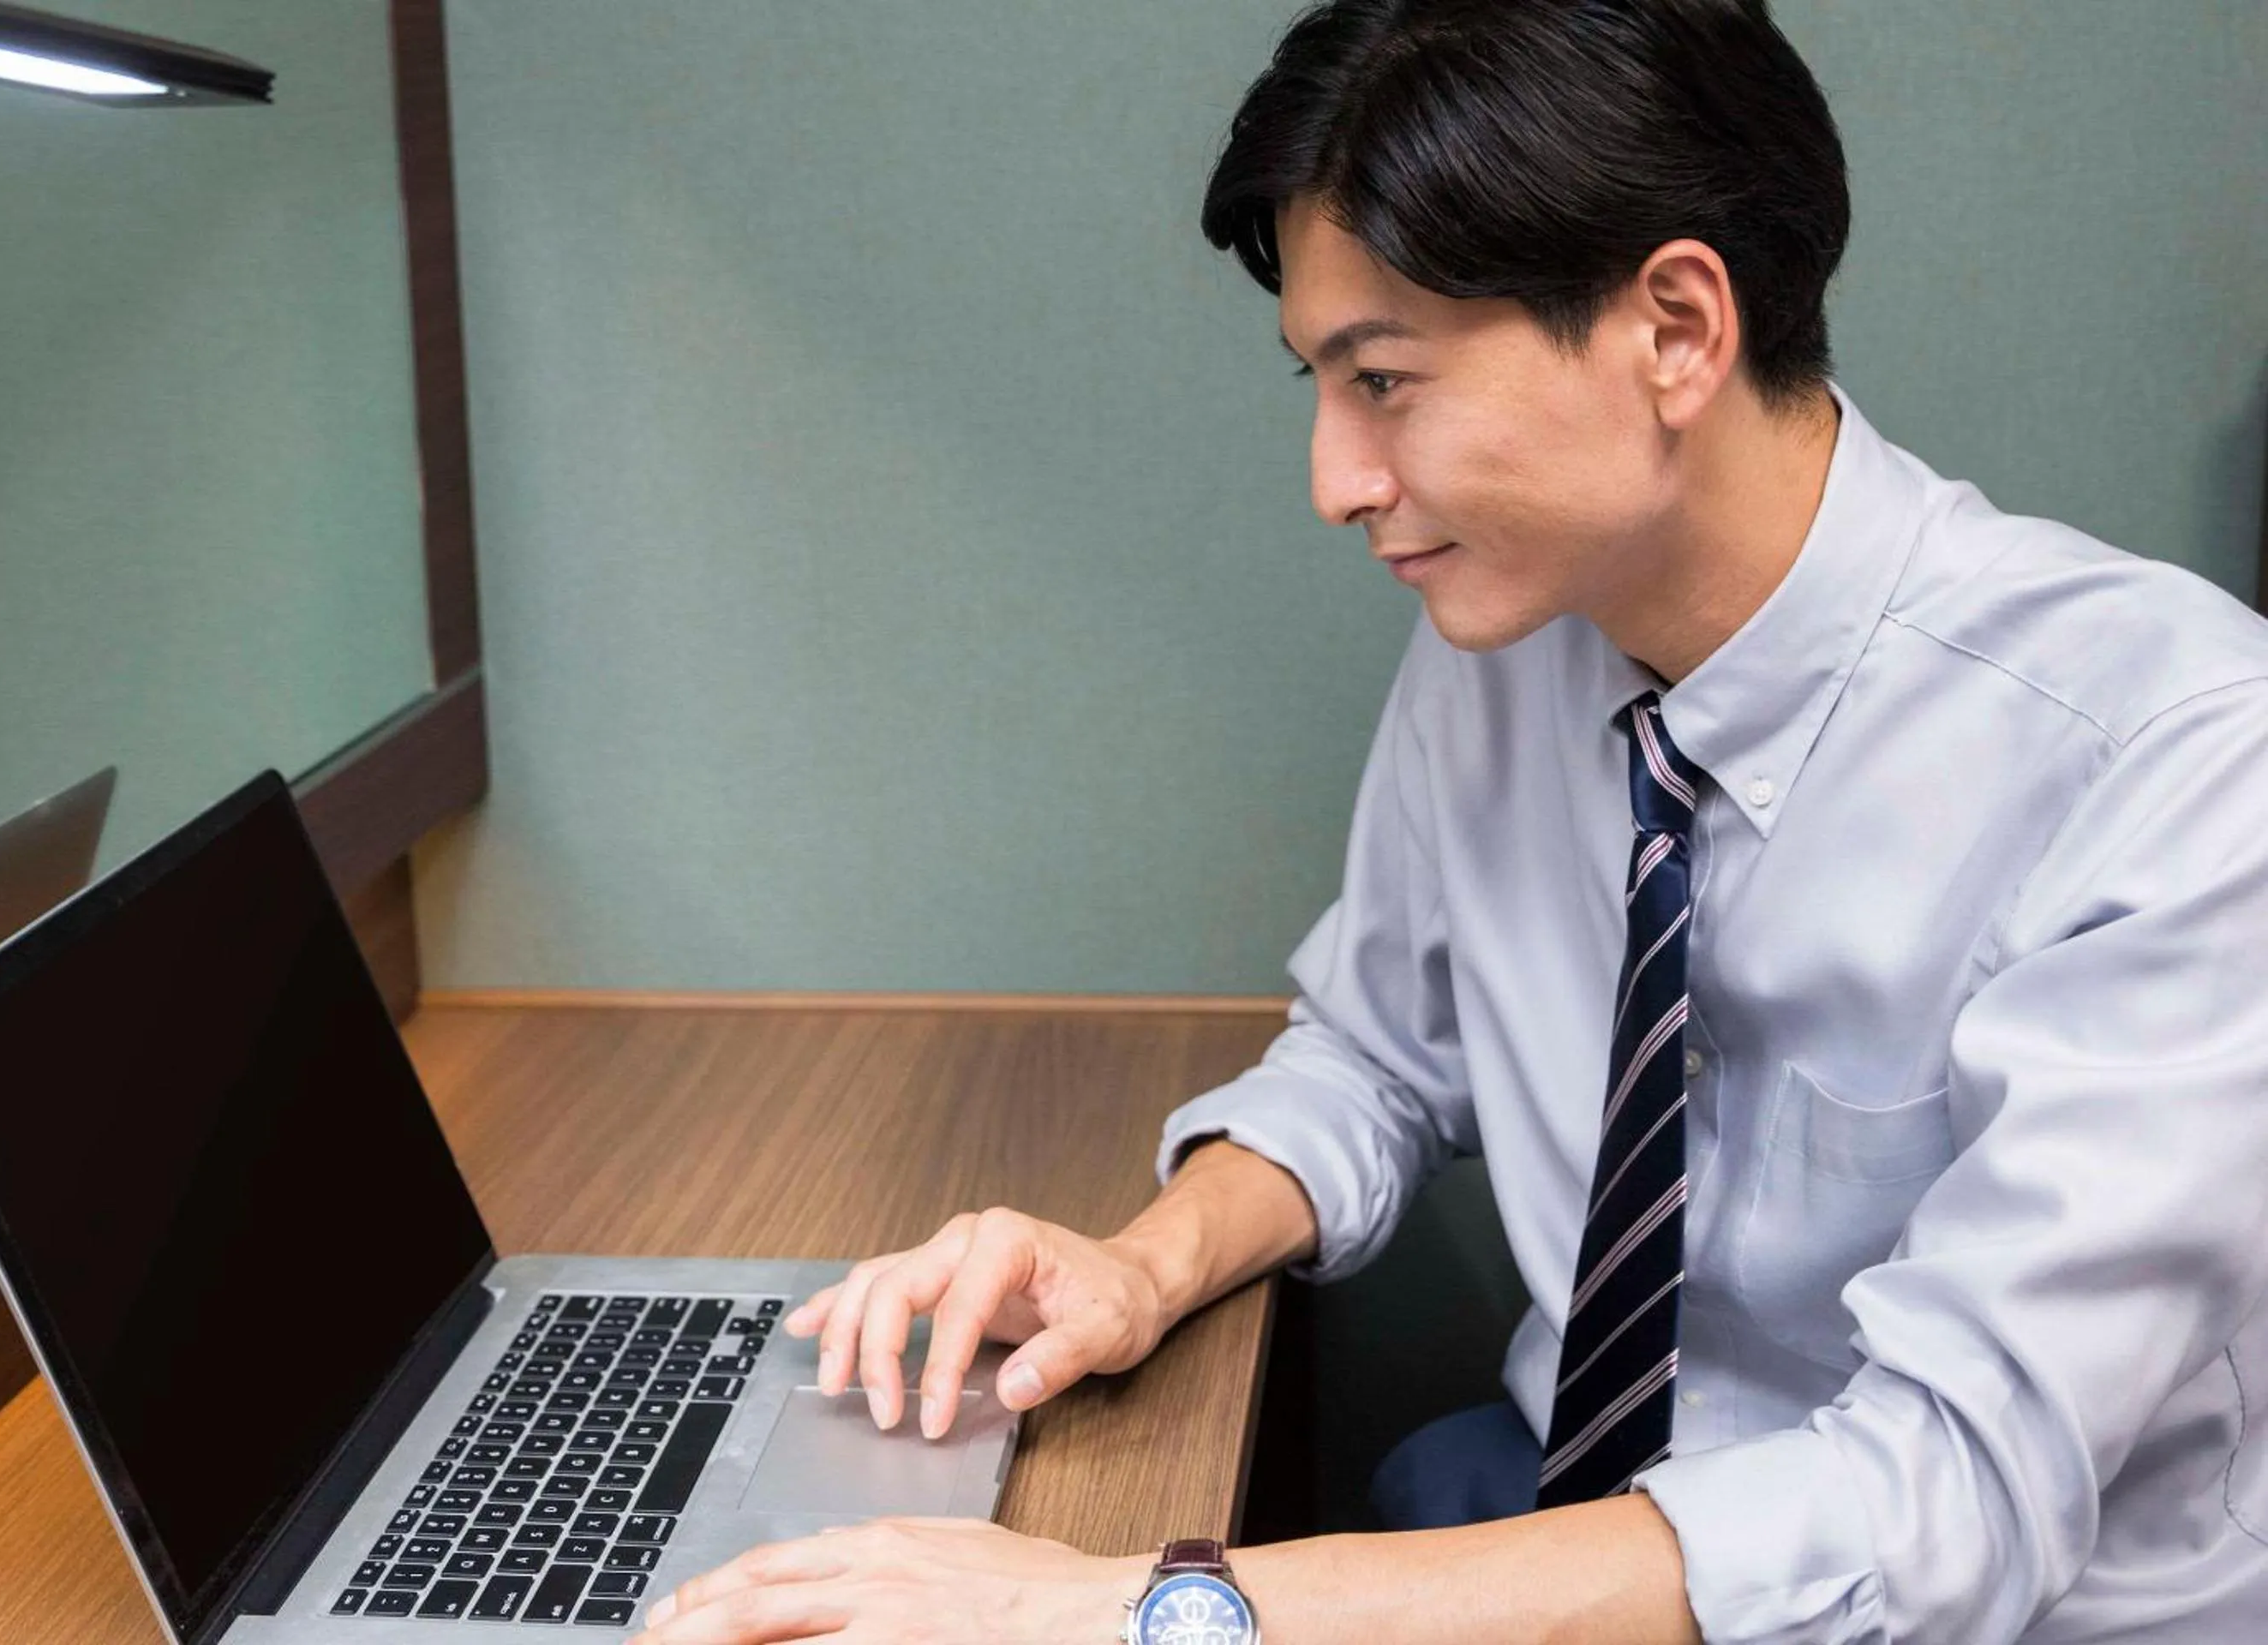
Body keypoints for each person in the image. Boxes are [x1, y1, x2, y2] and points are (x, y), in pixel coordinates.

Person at [637, 2, 2268, 1640]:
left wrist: (1147, 1613)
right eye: (1323, 387)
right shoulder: (1512, 630)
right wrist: (1145, 1262)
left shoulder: (2180, 757)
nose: (1336, 479)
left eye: (1387, 382)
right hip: (1558, 1522)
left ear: (1678, 328)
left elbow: (1943, 1500)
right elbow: (1375, 1056)